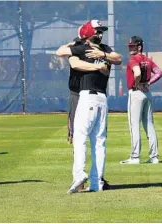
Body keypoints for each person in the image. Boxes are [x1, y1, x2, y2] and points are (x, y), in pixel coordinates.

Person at [56, 20, 122, 193]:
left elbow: (65, 55)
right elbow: (118, 59)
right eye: (97, 31)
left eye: (101, 32)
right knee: (99, 142)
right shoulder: (105, 50)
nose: (100, 34)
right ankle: (96, 183)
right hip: (102, 98)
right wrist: (102, 62)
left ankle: (79, 175)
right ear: (89, 33)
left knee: (80, 138)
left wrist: (95, 62)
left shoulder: (86, 48)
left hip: (88, 97)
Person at [120, 36, 162, 164]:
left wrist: (137, 83)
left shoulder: (133, 59)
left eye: (132, 46)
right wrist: (148, 82)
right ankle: (154, 157)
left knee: (134, 125)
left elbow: (137, 73)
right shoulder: (148, 60)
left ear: (139, 46)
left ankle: (135, 157)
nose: (130, 48)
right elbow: (159, 72)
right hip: (147, 93)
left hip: (136, 93)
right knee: (149, 125)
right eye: (129, 46)